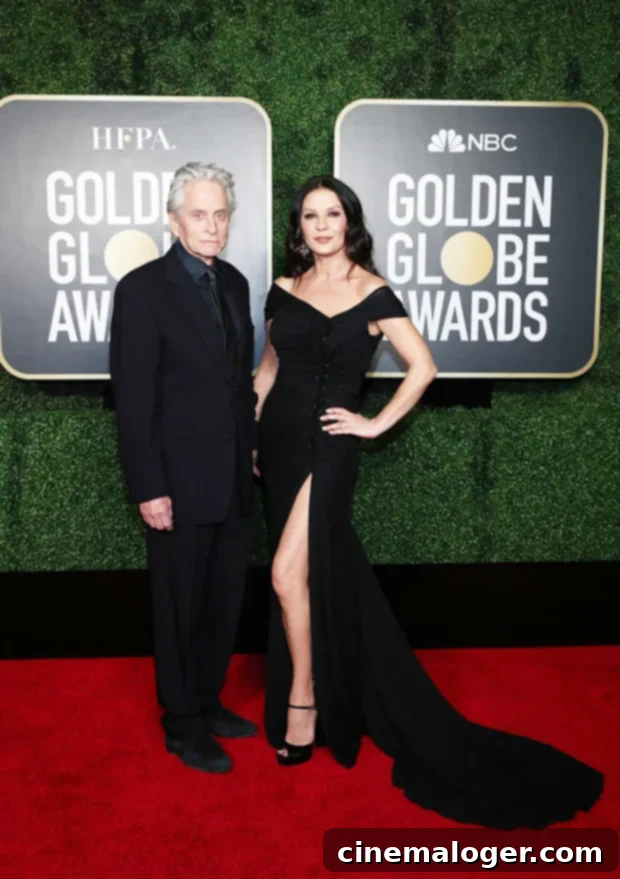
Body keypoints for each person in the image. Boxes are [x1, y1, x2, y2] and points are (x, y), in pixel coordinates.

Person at [252, 174, 604, 828]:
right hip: (276, 445)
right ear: (298, 226)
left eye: (332, 214)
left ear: (349, 223)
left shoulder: (372, 292)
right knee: (300, 576)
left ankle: (305, 699)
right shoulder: (284, 288)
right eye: (310, 215)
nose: (321, 225)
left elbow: (424, 366)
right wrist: (254, 429)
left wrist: (374, 423)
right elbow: (270, 367)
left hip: (328, 446)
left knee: (283, 572)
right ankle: (320, 681)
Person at [109, 162, 258, 774]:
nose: (213, 226)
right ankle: (182, 722)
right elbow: (134, 398)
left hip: (232, 479)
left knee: (223, 599)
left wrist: (250, 450)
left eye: (221, 214)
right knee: (178, 606)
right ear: (173, 219)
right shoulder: (143, 289)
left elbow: (237, 384)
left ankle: (207, 699)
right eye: (199, 214)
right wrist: (149, 487)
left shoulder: (236, 284)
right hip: (175, 483)